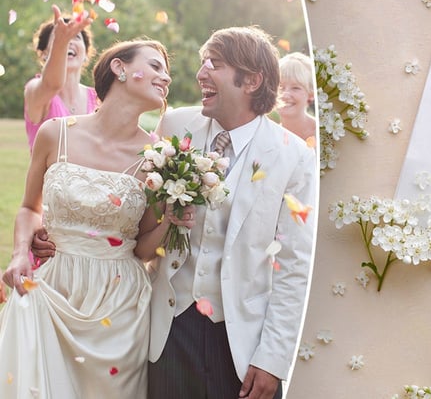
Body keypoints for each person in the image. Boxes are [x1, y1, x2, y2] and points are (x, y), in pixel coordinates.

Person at [142, 26, 316, 399]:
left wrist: (273, 358)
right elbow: (140, 212)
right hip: (168, 332)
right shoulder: (175, 126)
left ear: (251, 80)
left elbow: (295, 266)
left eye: (214, 64)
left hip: (241, 343)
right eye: (203, 62)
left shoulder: (294, 157)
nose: (200, 73)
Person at [0, 39, 178, 398]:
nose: (166, 78)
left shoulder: (157, 157)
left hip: (118, 309)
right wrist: (21, 253)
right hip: (53, 292)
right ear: (120, 68)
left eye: (167, 72)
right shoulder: (55, 132)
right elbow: (29, 208)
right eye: (156, 66)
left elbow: (143, 250)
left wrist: (170, 221)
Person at [24, 5, 98, 150]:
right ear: (44, 54)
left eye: (76, 37)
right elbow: (51, 85)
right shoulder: (34, 89)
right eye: (58, 37)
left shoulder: (98, 98)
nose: (69, 41)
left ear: (86, 53)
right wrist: (61, 42)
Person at [275, 51, 317, 142]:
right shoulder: (270, 137)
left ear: (311, 94)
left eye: (295, 88)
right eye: (281, 87)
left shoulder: (320, 132)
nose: (285, 94)